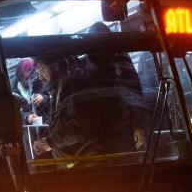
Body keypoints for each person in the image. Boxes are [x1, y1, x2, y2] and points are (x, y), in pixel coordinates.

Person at [32, 22, 149, 158]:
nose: (40, 77)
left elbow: (133, 90)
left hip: (120, 127)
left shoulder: (119, 60)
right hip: (104, 134)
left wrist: (139, 125)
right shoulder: (84, 69)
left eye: (42, 70)